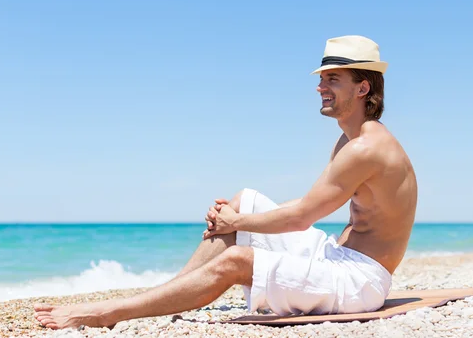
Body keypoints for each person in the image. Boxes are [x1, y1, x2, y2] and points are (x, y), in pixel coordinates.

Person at [34, 35, 418, 330]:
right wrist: (237, 216)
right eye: (321, 79)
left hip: (360, 282)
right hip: (337, 258)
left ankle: (108, 313)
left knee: (236, 258)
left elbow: (300, 217)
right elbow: (305, 204)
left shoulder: (366, 148)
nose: (320, 87)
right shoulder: (350, 139)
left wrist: (235, 226)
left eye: (332, 79)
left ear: (363, 88)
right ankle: (163, 295)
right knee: (244, 199)